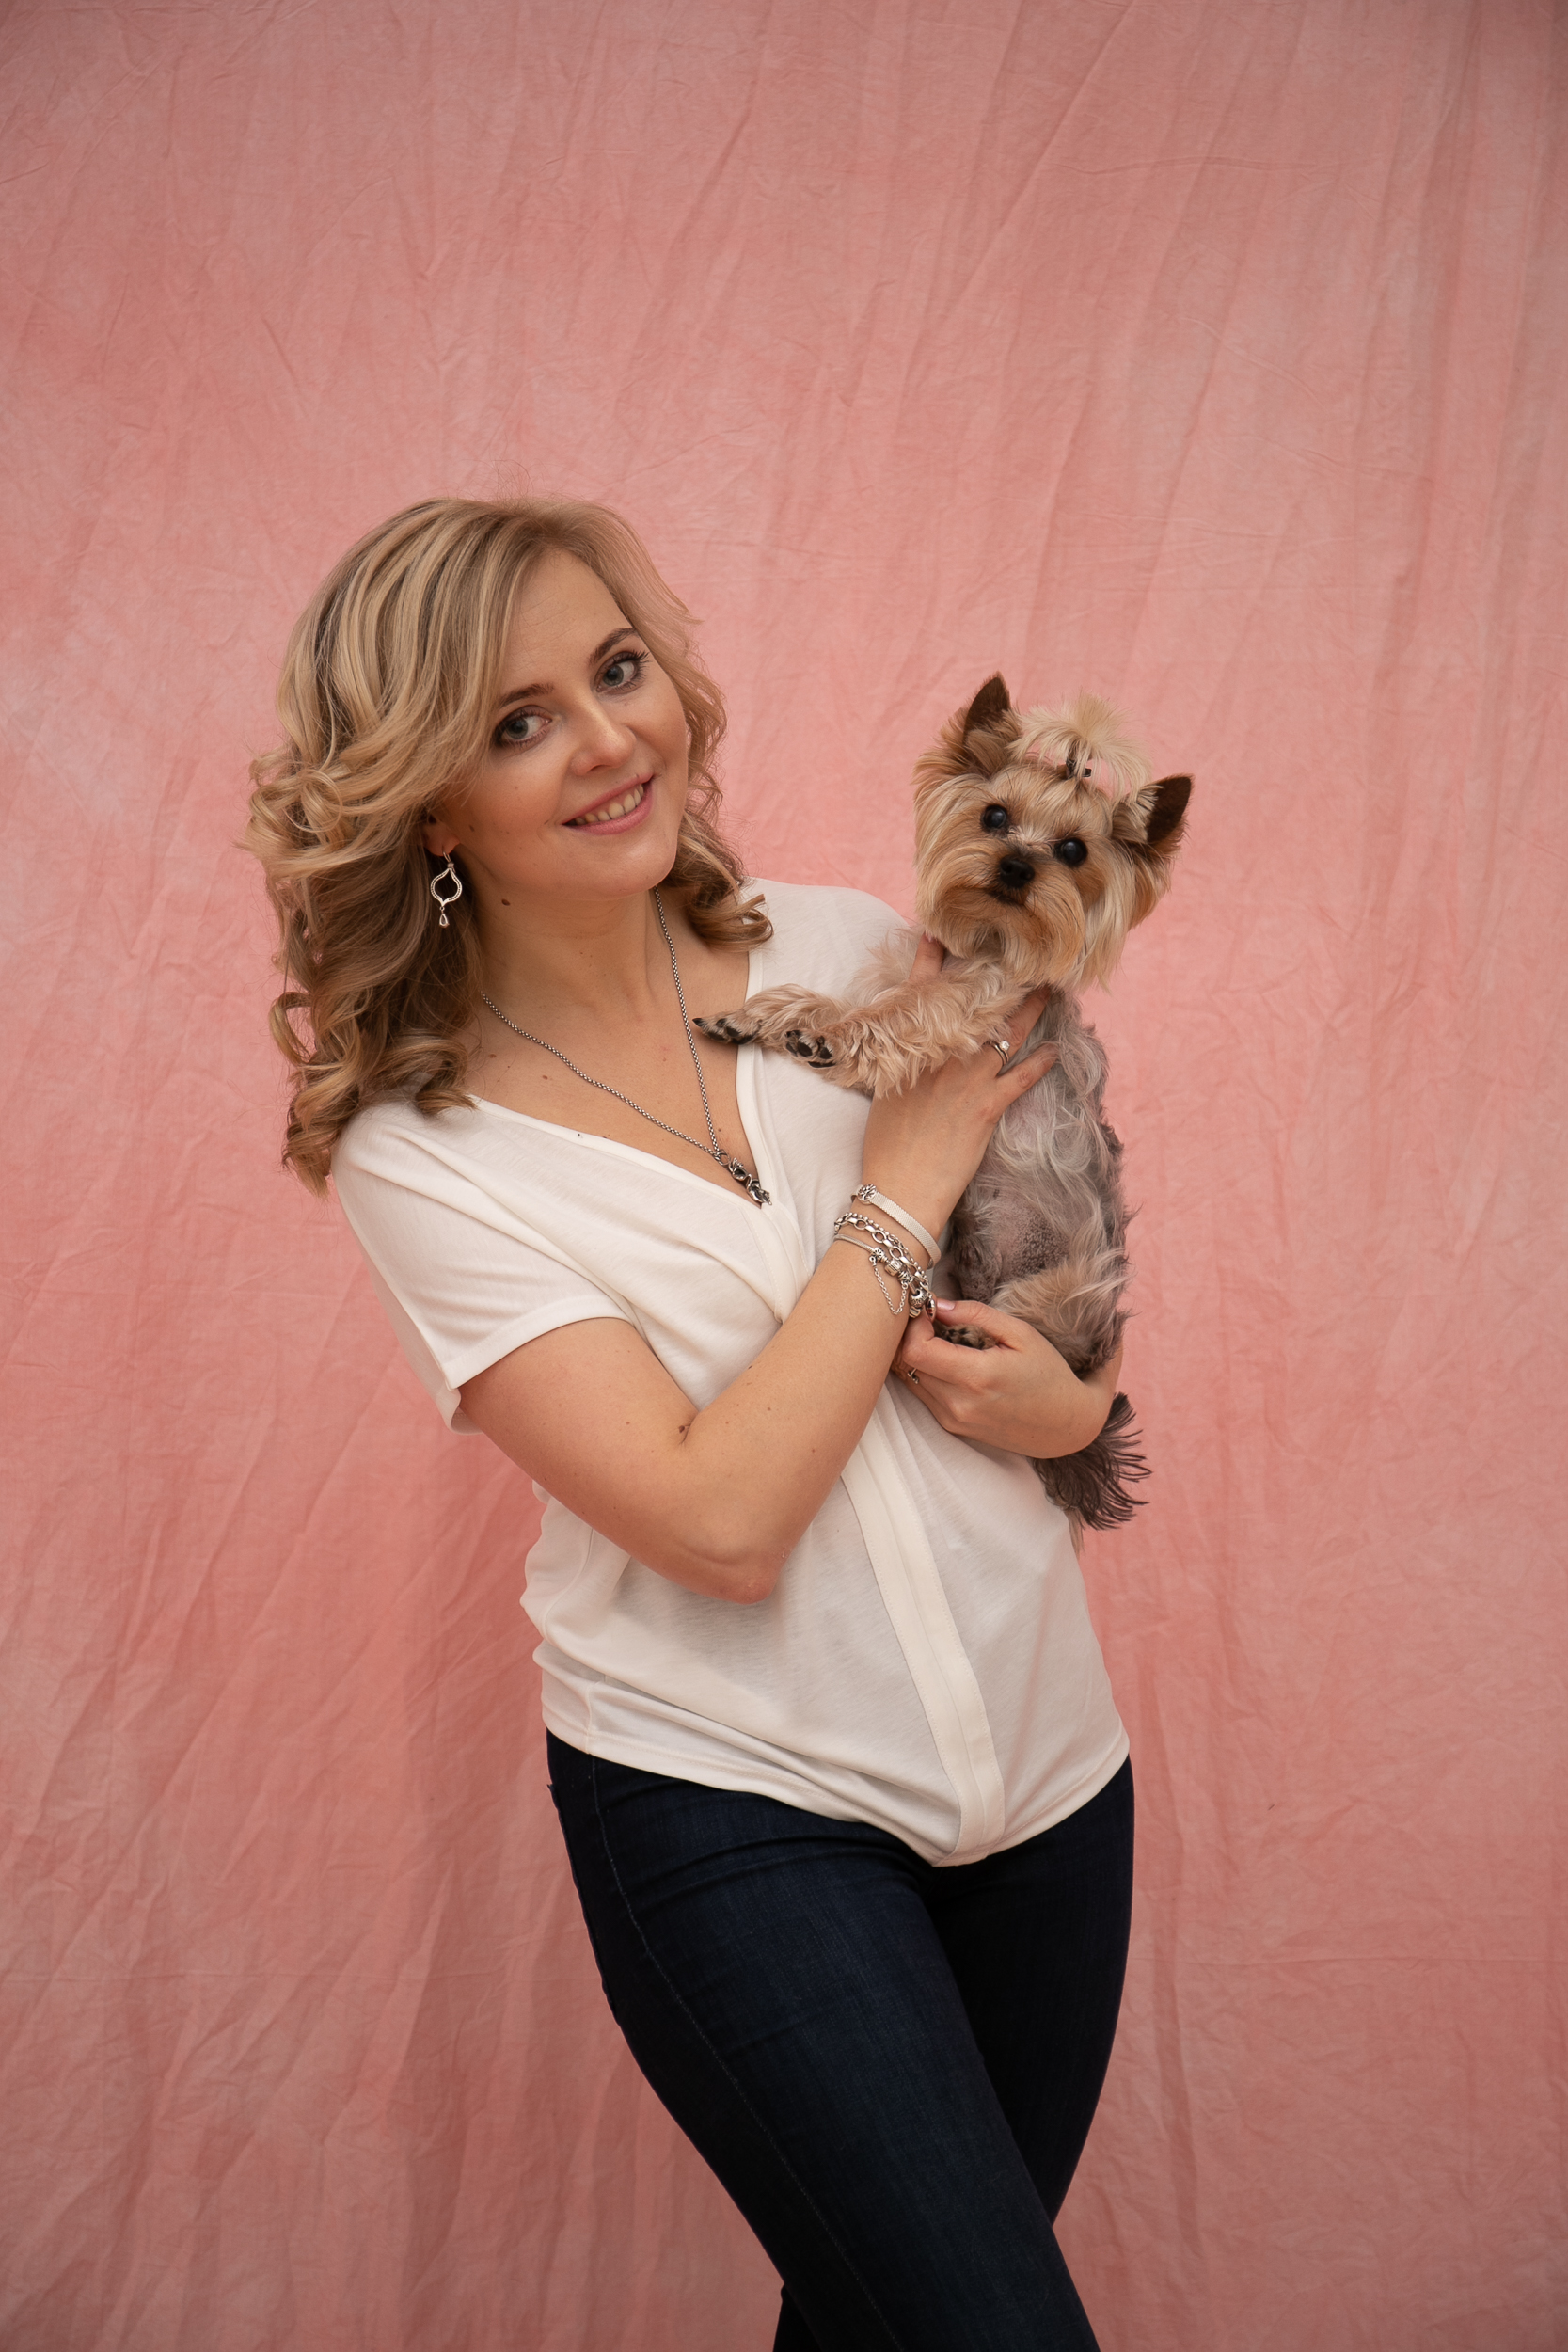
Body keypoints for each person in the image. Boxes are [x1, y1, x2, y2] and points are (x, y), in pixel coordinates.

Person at [246, 496, 1134, 2352]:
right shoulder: (425, 1150)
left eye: (619, 669)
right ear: (427, 805)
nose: (608, 739)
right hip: (739, 1812)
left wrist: (1082, 1402)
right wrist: (899, 1184)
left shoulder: (857, 945)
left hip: (1053, 1777)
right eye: (519, 720)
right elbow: (716, 1519)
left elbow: (1057, 1255)